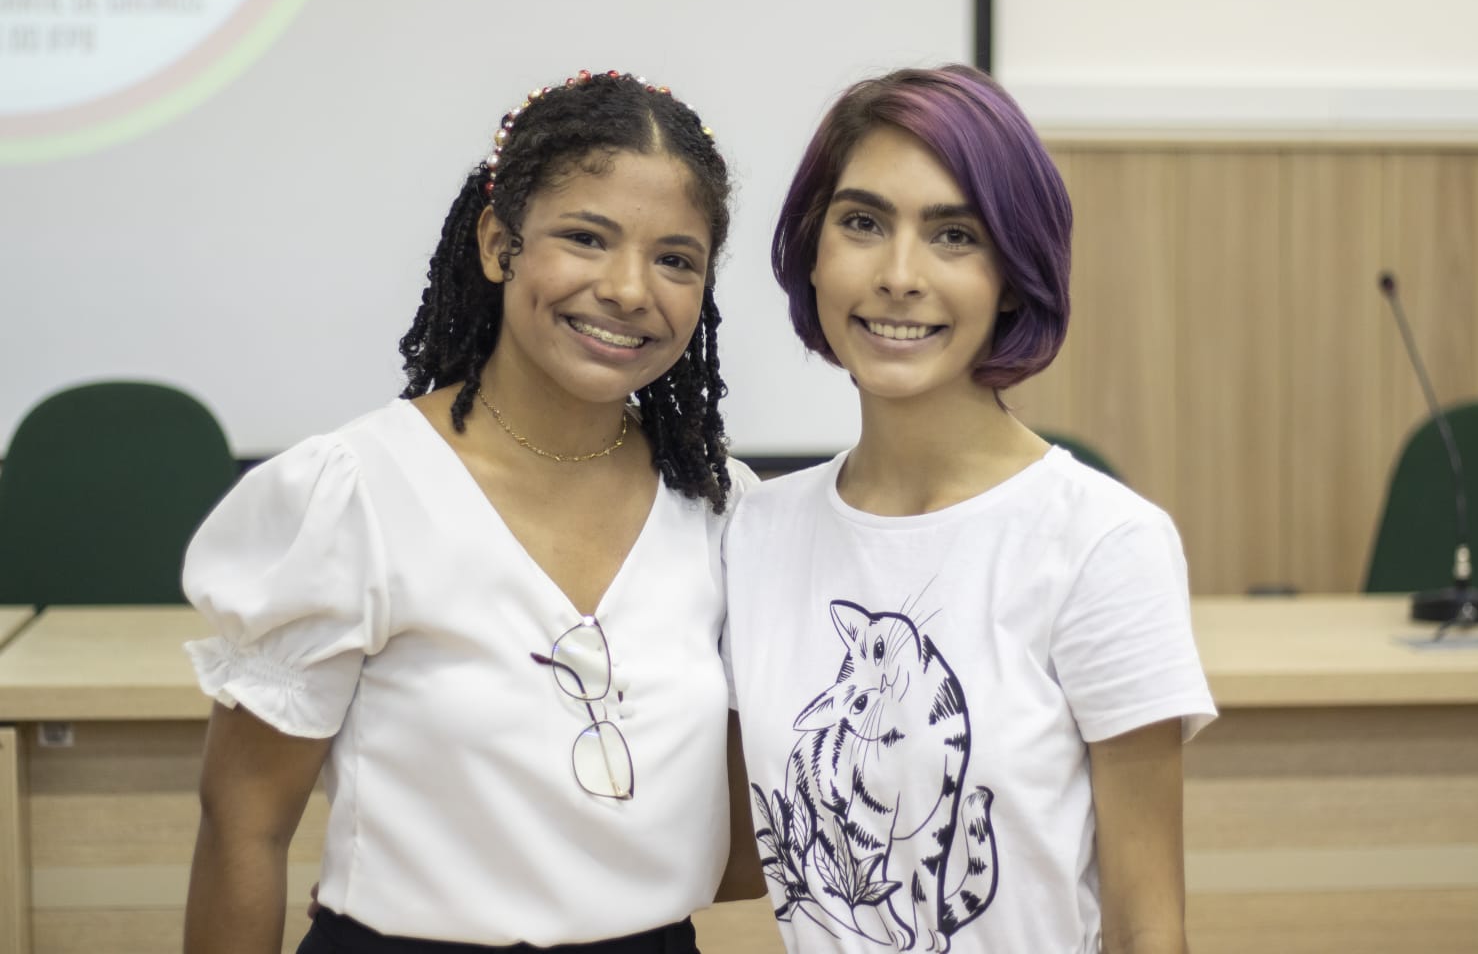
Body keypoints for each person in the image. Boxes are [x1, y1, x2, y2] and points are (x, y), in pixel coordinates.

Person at [181, 69, 761, 954]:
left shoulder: (724, 509)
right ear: (499, 245)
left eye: (675, 259)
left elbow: (738, 844)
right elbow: (242, 825)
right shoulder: (359, 491)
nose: (629, 289)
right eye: (585, 237)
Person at [721, 65, 1216, 953]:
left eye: (954, 235)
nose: (899, 275)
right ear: (814, 248)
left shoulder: (1102, 542)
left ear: (1014, 275)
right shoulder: (753, 533)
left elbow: (1150, 930)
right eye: (863, 223)